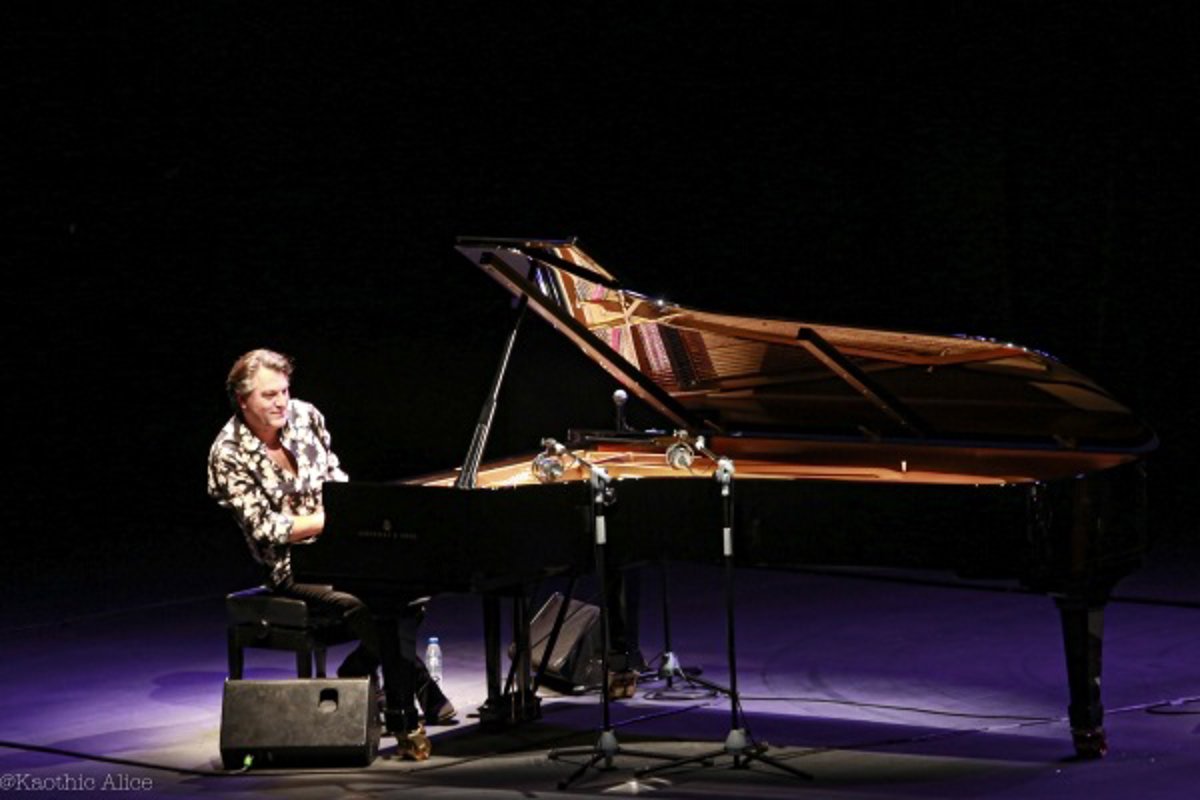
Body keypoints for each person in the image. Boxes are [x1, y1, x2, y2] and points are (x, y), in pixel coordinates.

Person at [207, 348, 453, 758]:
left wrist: (345, 518)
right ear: (243, 399)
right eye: (269, 395)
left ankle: (362, 669)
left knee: (411, 584)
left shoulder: (306, 416)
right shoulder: (227, 453)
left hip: (341, 546)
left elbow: (337, 483)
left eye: (284, 391)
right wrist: (328, 519)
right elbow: (268, 529)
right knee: (361, 604)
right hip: (290, 564)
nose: (281, 402)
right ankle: (410, 698)